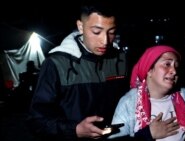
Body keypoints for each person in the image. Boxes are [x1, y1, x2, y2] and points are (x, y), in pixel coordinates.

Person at [26, 1, 128, 141]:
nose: (105, 41)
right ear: (80, 26)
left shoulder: (120, 59)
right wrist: (74, 130)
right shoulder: (55, 64)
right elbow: (36, 121)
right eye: (96, 32)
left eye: (111, 32)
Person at [109, 45, 185, 141]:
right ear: (149, 70)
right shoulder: (129, 102)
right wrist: (149, 134)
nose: (174, 71)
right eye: (167, 64)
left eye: (176, 66)